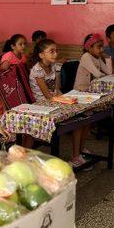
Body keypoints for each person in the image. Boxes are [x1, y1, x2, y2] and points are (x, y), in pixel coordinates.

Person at [28, 40, 89, 169]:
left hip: (54, 101)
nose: (55, 54)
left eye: (56, 50)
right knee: (78, 119)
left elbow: (56, 90)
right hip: (42, 106)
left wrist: (68, 98)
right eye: (52, 51)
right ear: (41, 55)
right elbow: (47, 96)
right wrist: (66, 102)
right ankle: (76, 156)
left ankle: (79, 152)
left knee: (84, 116)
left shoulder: (54, 66)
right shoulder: (37, 71)